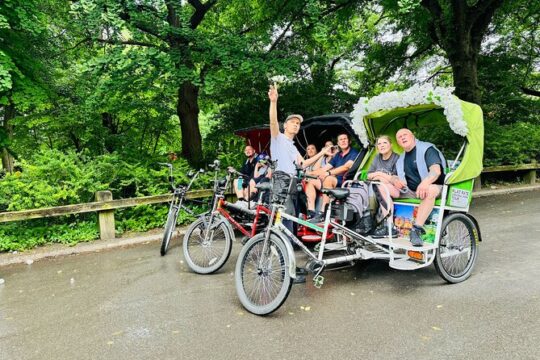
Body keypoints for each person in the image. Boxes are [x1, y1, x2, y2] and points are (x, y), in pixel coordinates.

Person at [268, 84, 331, 283]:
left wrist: (321, 153)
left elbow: (303, 164)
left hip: (293, 185)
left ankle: (290, 267)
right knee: (282, 227)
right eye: (293, 122)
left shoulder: (293, 146)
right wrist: (274, 101)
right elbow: (272, 122)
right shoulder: (277, 138)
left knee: (290, 226)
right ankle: (284, 272)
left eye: (298, 123)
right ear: (285, 125)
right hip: (281, 184)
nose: (296, 125)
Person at [392, 128, 446, 246]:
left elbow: (436, 171)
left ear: (412, 136)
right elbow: (397, 176)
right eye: (399, 137)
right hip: (411, 190)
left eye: (405, 134)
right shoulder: (401, 159)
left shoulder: (427, 149)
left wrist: (425, 183)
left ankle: (416, 230)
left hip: (435, 186)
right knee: (385, 188)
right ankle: (386, 226)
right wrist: (395, 180)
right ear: (398, 143)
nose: (402, 137)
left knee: (429, 190)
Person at [305, 133, 360, 222]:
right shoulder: (338, 155)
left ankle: (323, 212)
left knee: (328, 178)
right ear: (338, 143)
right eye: (341, 140)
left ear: (349, 141)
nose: (343, 141)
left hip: (345, 182)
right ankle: (311, 212)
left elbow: (346, 167)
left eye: (345, 139)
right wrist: (308, 174)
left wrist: (328, 173)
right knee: (311, 181)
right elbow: (324, 169)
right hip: (333, 181)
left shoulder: (354, 152)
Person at [367, 135, 400, 238]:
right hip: (380, 187)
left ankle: (389, 224)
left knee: (380, 185)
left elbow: (394, 179)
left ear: (391, 145)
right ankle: (371, 223)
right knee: (377, 186)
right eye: (379, 144)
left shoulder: (397, 158)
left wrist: (378, 175)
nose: (381, 146)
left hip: (396, 189)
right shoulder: (377, 157)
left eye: (384, 143)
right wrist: (381, 177)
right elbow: (369, 175)